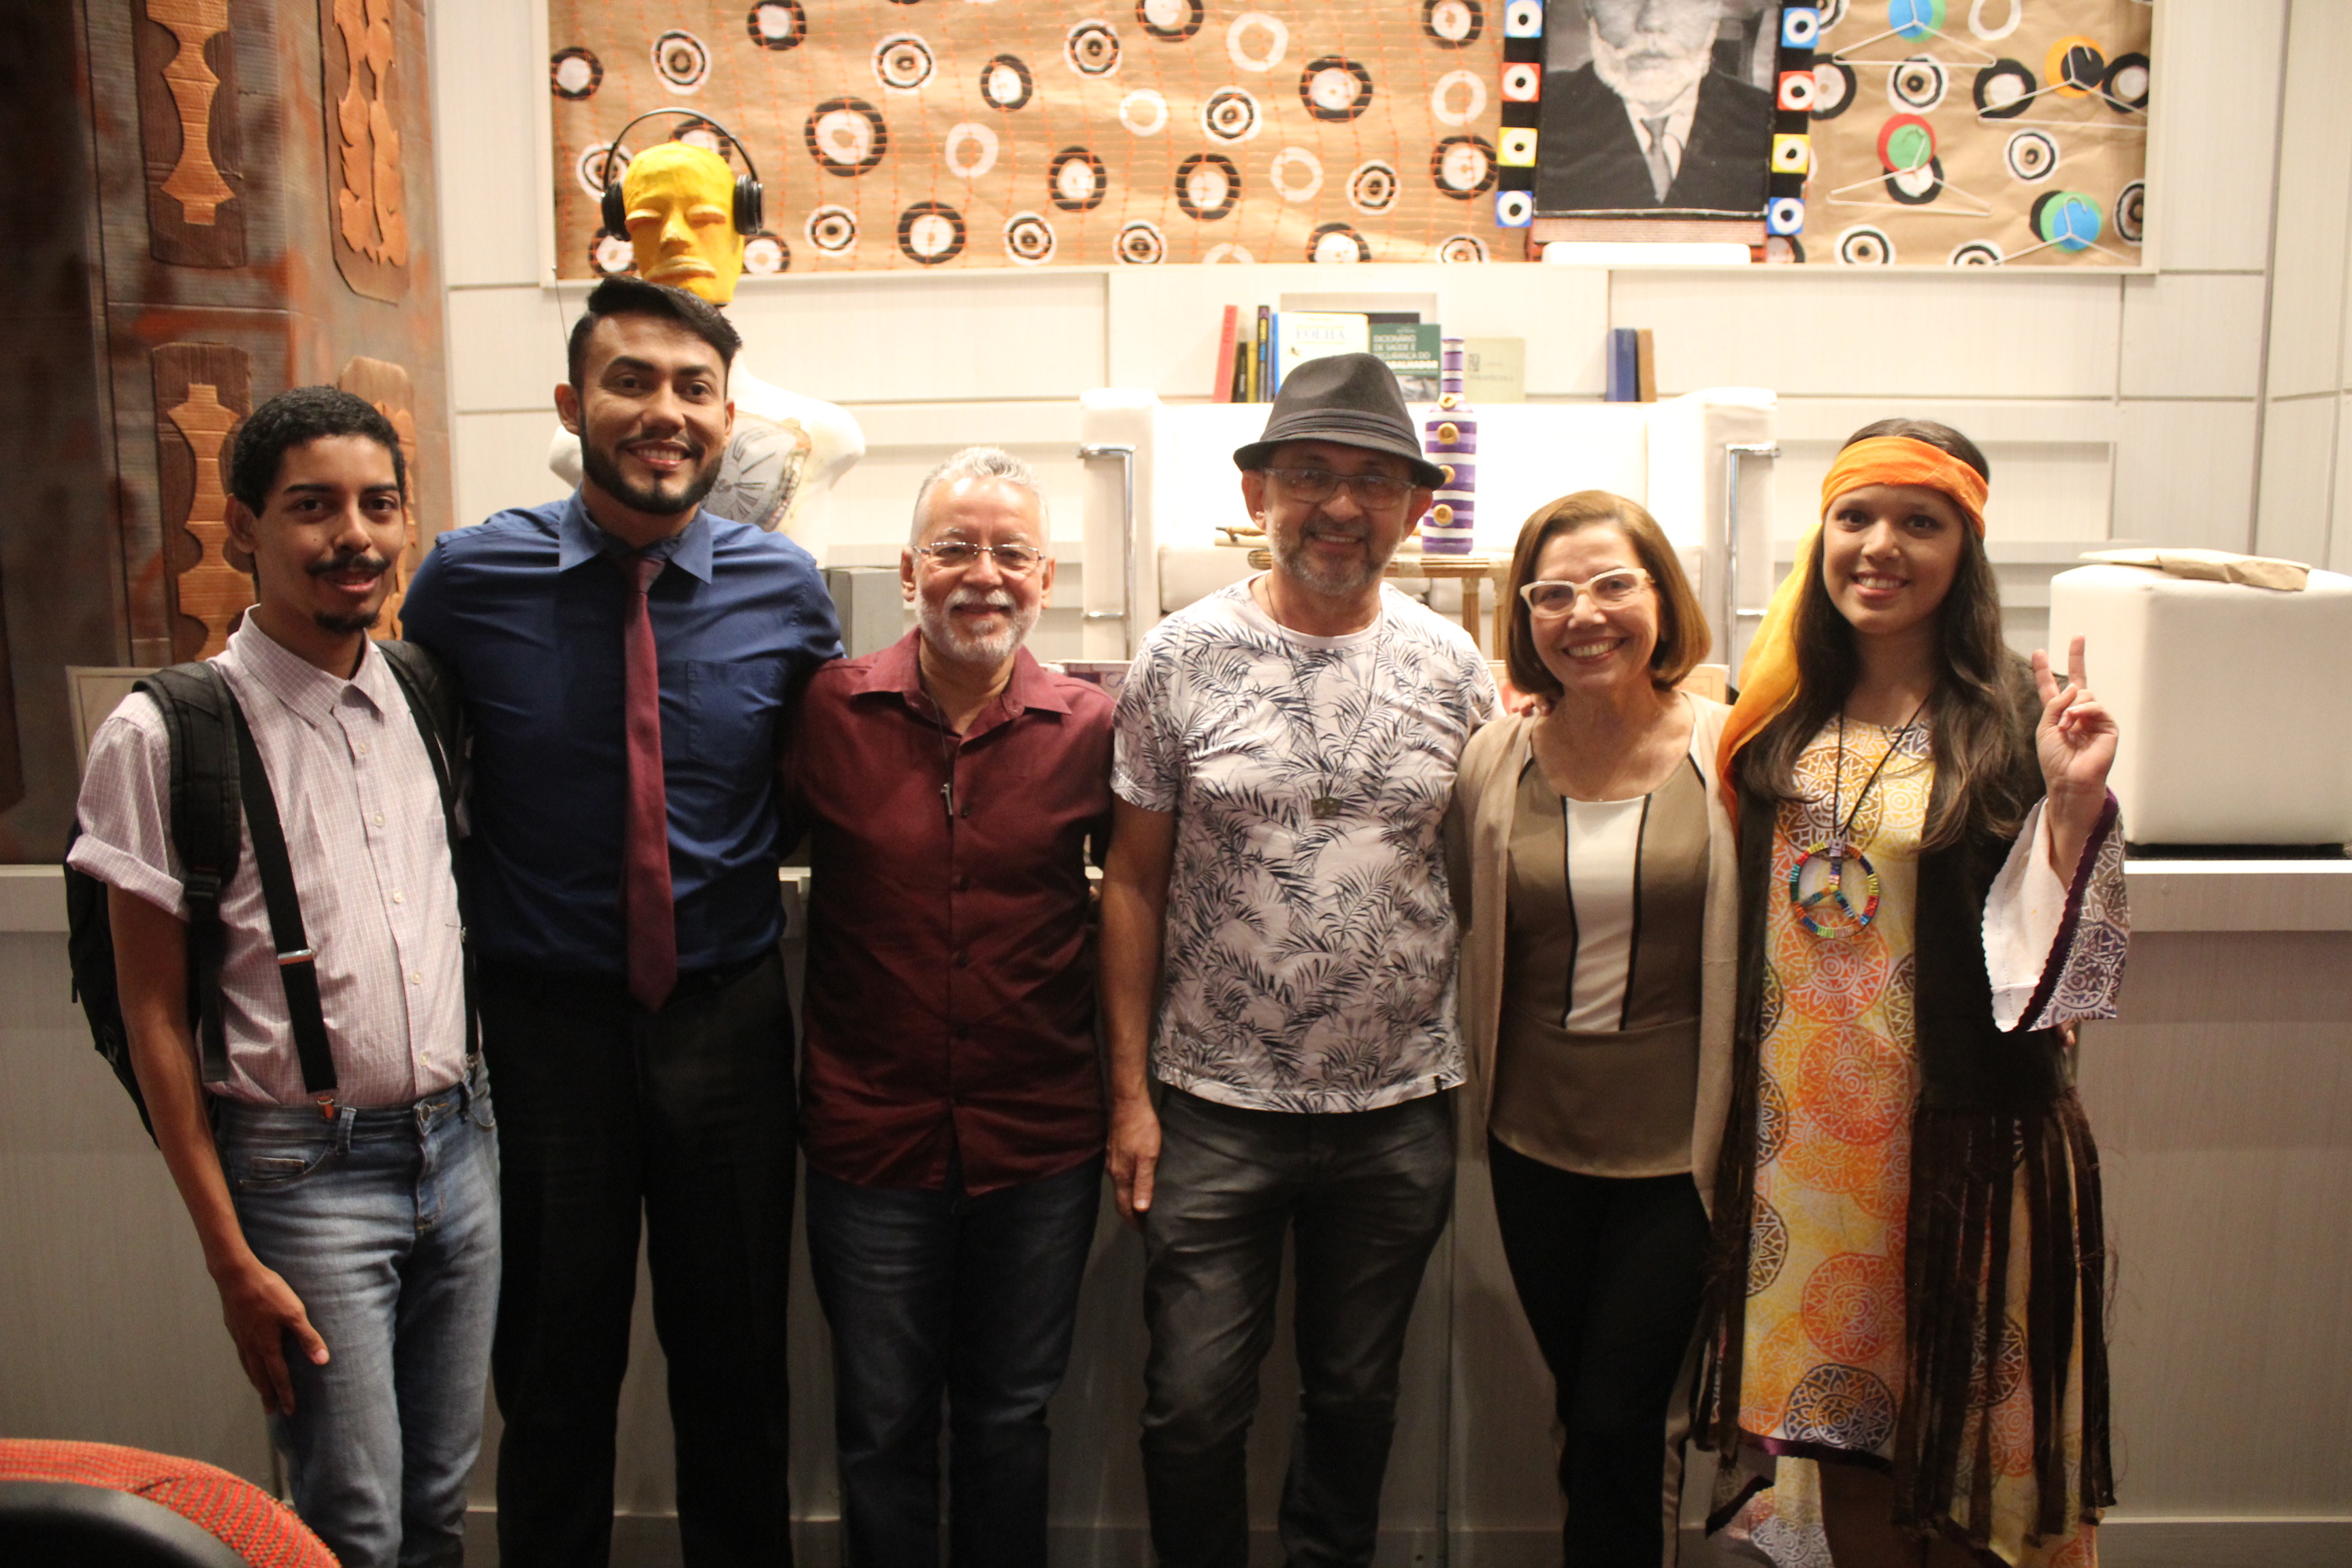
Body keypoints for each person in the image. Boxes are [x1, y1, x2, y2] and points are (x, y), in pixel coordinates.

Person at [402, 275, 842, 1568]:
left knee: (737, 1369)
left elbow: (807, 783)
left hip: (727, 1019)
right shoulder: (467, 580)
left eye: (695, 388)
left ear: (727, 417)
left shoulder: (786, 588)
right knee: (550, 1369)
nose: (665, 411)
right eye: (631, 380)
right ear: (571, 402)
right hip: (542, 1031)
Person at [69, 386, 497, 1568]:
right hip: (302, 1173)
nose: (353, 536)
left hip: (462, 1147)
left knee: (440, 1501)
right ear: (246, 525)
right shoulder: (165, 733)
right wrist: (228, 1256)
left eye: (378, 505)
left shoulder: (425, 693)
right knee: (349, 1517)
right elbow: (153, 1014)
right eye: (313, 506)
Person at [1696, 421, 2127, 1568]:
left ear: (1965, 550)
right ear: (1822, 538)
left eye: (1919, 522)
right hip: (1807, 1161)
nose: (1880, 546)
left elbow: (2069, 973)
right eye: (1856, 516)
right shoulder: (1776, 720)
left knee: (1969, 1451)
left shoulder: (2012, 726)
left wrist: (2071, 805)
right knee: (1841, 1440)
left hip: (1956, 1149)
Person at [1099, 352, 1499, 1568]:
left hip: (1396, 1111)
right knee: (1190, 1409)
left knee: (1357, 1402)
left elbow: (1480, 873)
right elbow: (1132, 882)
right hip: (1211, 1106)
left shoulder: (1455, 669)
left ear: (1413, 509)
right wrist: (1129, 1096)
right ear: (1258, 492)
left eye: (1373, 481)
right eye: (1310, 474)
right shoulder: (1178, 658)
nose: (1339, 505)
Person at [780, 447, 1114, 1567]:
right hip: (870, 1139)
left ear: (1046, 576)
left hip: (1039, 1143)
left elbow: (1144, 899)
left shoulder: (1088, 728)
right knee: (881, 1429)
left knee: (1010, 1419)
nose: (984, 574)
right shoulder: (830, 710)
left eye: (1012, 553)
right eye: (956, 549)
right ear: (908, 568)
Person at [1448, 492, 1737, 1567]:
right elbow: (1461, 916)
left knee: (1625, 1418)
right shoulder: (1496, 761)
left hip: (1682, 1150)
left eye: (1614, 584)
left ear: (1662, 596)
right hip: (1534, 1141)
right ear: (1527, 618)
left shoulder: (1733, 750)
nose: (1586, 614)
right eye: (1554, 593)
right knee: (1584, 1408)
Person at [550, 137, 864, 552]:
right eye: (648, 222)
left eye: (703, 219)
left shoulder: (831, 431)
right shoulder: (572, 443)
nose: (674, 237)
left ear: (743, 224)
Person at [1537, 0, 1774, 214]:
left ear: (1716, 8)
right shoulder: (1537, 114)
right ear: (1589, 6)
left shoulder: (1767, 122)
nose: (1652, 22)